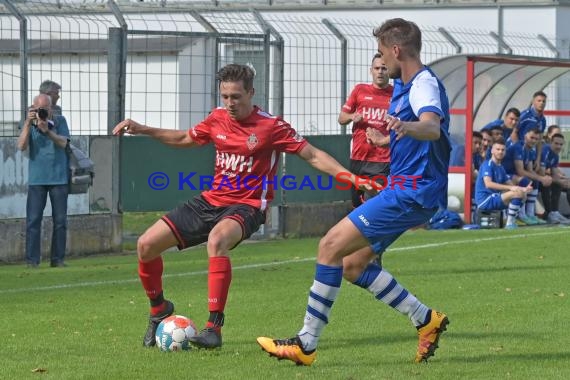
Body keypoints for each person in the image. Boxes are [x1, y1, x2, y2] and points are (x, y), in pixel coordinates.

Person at [112, 64, 370, 350]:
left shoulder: (271, 126)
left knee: (217, 240)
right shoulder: (217, 118)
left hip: (247, 206)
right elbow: (186, 138)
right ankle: (158, 309)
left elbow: (313, 155)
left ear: (251, 93)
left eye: (236, 96)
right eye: (224, 96)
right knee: (145, 245)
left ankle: (213, 328)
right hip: (211, 200)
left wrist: (353, 179)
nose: (229, 103)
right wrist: (143, 129)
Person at [257, 18, 451, 365]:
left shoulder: (422, 84)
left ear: (396, 50)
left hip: (411, 192)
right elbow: (423, 135)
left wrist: (405, 126)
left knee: (329, 245)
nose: (381, 61)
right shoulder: (409, 85)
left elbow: (432, 127)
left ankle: (306, 344)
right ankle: (426, 319)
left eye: (381, 53)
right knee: (353, 264)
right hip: (408, 188)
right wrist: (389, 137)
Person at [17, 93, 70, 268]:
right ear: (33, 108)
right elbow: (21, 146)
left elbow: (64, 143)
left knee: (60, 221)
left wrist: (48, 131)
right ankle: (32, 261)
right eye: (40, 109)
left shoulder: (60, 121)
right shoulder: (29, 124)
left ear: (51, 108)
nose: (43, 112)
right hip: (37, 179)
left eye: (46, 109)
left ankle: (58, 259)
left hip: (59, 178)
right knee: (33, 221)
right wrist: (27, 122)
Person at [338, 53, 393, 208]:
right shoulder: (360, 90)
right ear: (371, 71)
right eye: (377, 68)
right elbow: (341, 118)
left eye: (384, 68)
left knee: (372, 204)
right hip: (358, 157)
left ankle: (376, 230)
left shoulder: (395, 95)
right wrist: (351, 116)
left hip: (382, 160)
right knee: (357, 205)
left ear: (389, 71)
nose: (380, 72)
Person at [475, 138, 531, 229]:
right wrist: (511, 189)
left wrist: (523, 189)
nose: (500, 152)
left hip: (495, 197)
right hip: (485, 200)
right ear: (492, 150)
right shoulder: (487, 164)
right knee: (516, 194)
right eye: (498, 149)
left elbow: (512, 186)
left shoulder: (501, 167)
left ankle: (510, 220)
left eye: (503, 150)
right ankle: (509, 223)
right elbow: (488, 184)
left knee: (523, 195)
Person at [502, 128, 552, 225]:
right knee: (525, 181)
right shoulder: (518, 147)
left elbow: (530, 170)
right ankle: (521, 215)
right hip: (504, 175)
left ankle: (530, 214)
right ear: (525, 136)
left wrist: (543, 179)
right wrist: (542, 178)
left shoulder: (530, 150)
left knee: (534, 182)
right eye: (531, 137)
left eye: (536, 139)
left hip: (513, 176)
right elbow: (520, 171)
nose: (533, 141)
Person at [540, 133, 570, 224]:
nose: (558, 147)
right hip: (534, 177)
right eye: (556, 143)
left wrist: (565, 181)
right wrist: (561, 182)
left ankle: (555, 212)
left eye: (561, 144)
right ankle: (549, 213)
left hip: (541, 177)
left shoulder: (555, 155)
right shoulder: (545, 150)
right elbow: (541, 173)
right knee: (547, 181)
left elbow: (555, 174)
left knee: (558, 184)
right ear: (550, 142)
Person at [513, 91, 547, 168]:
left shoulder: (543, 120)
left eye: (543, 101)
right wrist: (519, 150)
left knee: (540, 171)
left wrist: (538, 159)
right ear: (533, 101)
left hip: (532, 153)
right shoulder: (524, 115)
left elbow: (540, 140)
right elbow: (514, 133)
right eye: (539, 101)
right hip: (520, 153)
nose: (541, 103)